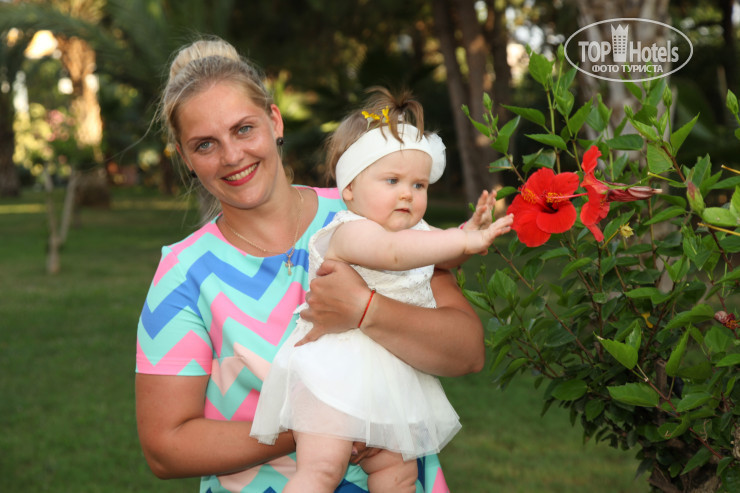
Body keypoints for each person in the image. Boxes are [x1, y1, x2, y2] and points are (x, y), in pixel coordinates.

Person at [135, 36, 492, 492]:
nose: (232, 156)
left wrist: (365, 310)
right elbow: (165, 447)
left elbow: (467, 351)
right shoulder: (184, 273)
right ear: (186, 158)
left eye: (243, 129)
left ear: (274, 120)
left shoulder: (369, 209)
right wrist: (326, 424)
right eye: (205, 144)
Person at [249, 87, 514, 493]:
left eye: (419, 185)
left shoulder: (416, 232)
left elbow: (438, 259)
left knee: (399, 476)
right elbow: (394, 254)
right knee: (322, 470)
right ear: (350, 189)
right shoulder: (349, 231)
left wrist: (466, 236)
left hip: (391, 379)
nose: (408, 193)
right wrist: (462, 240)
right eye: (392, 180)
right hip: (335, 374)